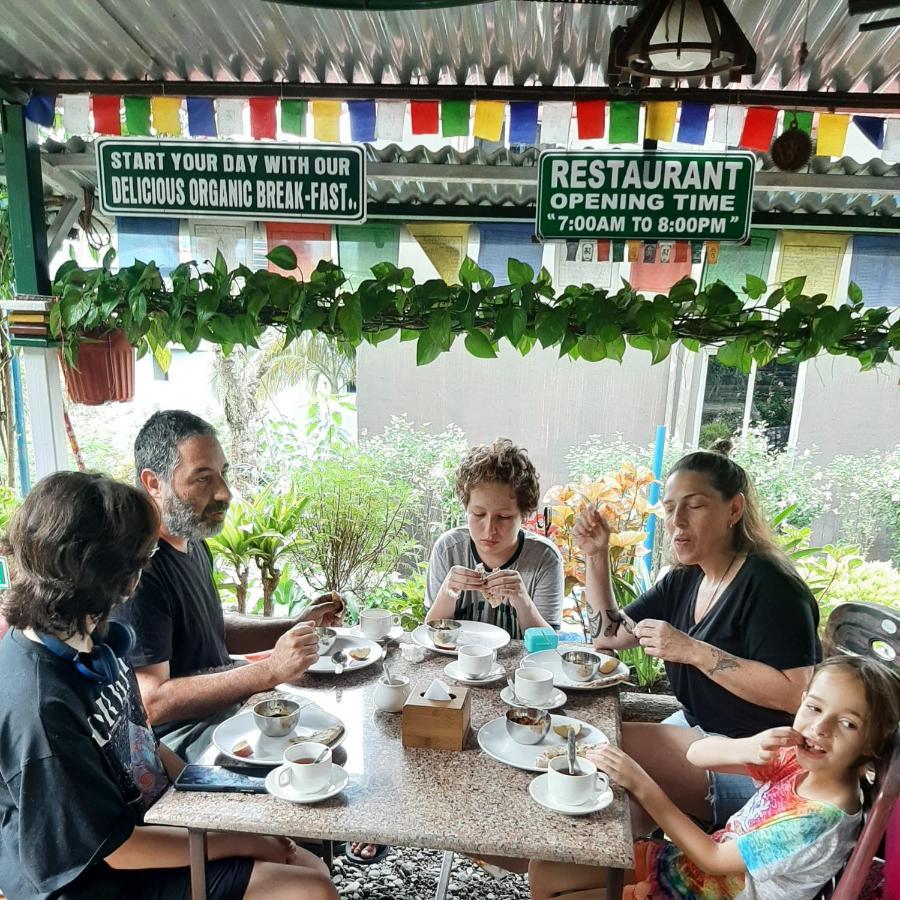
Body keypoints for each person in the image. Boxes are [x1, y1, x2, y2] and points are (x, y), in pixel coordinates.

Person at [0, 471, 337, 900]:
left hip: (148, 824)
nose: (148, 565)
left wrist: (217, 804)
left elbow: (139, 738)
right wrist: (236, 840)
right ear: (102, 575)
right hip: (100, 878)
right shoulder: (40, 708)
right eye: (140, 559)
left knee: (307, 862)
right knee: (307, 890)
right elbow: (115, 848)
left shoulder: (89, 635)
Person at [573, 442, 821, 831]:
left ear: (734, 510)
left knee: (605, 744)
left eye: (696, 505)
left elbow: (795, 693)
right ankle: (637, 877)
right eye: (670, 508)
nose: (677, 521)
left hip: (761, 766)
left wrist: (692, 650)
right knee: (613, 816)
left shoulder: (772, 587)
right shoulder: (687, 577)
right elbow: (609, 636)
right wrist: (596, 556)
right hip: (696, 732)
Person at [529, 655, 900, 900]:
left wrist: (639, 782)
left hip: (705, 886)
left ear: (872, 744)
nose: (819, 727)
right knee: (545, 868)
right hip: (689, 874)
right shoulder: (798, 761)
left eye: (848, 723)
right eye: (814, 707)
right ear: (802, 701)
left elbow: (713, 858)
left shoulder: (818, 819)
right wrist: (747, 748)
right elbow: (696, 754)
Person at [114, 410, 344, 761]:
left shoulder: (191, 541)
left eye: (223, 474)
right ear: (153, 483)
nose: (224, 493)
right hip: (181, 739)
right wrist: (268, 669)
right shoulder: (139, 571)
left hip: (224, 713)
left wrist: (295, 623)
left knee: (333, 732)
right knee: (317, 760)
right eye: (203, 479)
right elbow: (153, 701)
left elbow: (211, 631)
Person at [424, 437, 564, 638]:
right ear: (466, 509)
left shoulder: (544, 558)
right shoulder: (449, 549)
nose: (489, 530)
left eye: (504, 517)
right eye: (479, 514)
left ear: (523, 515)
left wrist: (522, 600)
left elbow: (547, 645)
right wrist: (448, 591)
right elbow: (430, 634)